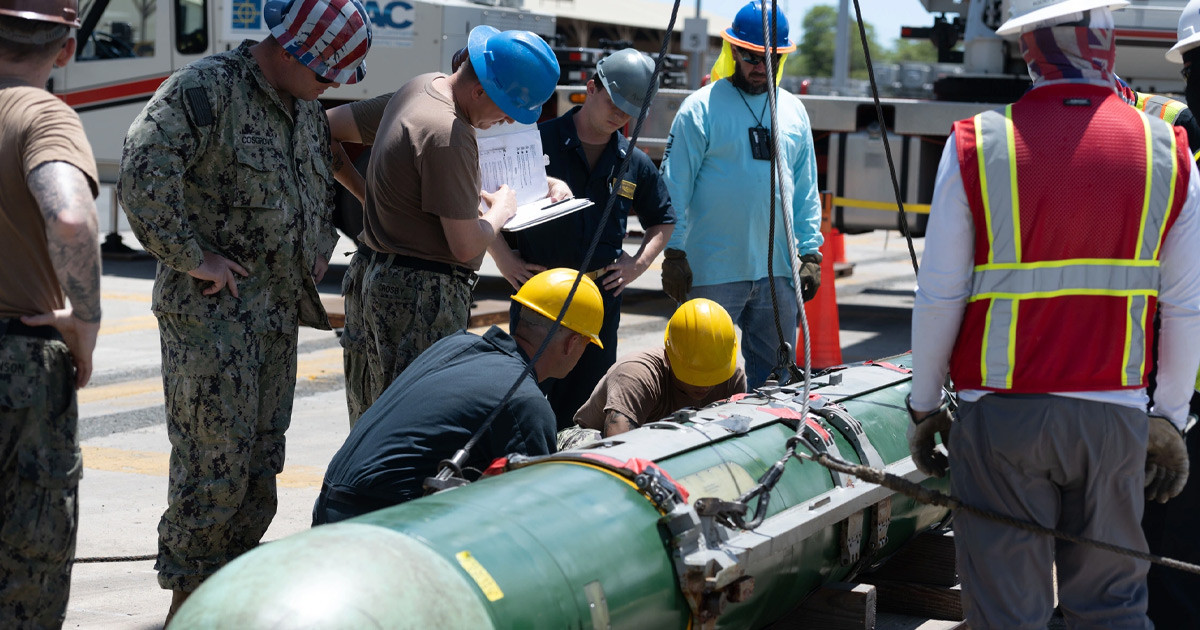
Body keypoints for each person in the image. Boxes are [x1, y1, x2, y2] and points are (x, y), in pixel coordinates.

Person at [907, 1, 1200, 627]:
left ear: (1029, 54)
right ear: (1109, 51)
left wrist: (924, 402)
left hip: (1001, 417)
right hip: (1116, 420)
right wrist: (1168, 419)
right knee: (1113, 607)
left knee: (1009, 611)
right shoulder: (1167, 151)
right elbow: (1182, 305)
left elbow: (938, 294)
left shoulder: (976, 144)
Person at [116, 0, 371, 618]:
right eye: (325, 72)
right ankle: (187, 607)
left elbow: (316, 186)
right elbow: (143, 174)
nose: (332, 87)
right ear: (289, 50)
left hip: (276, 319)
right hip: (213, 323)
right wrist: (191, 255)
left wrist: (315, 248)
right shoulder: (205, 91)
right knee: (213, 474)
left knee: (260, 470)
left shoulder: (306, 109)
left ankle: (227, 605)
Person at [325, 27, 563, 424]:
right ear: (480, 91)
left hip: (373, 277)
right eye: (507, 108)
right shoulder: (448, 132)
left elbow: (327, 128)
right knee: (412, 429)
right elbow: (466, 245)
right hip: (419, 301)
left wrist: (369, 195)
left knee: (371, 425)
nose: (505, 119)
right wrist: (501, 210)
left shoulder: (421, 87)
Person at [313, 268, 604, 524]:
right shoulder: (525, 402)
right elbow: (534, 514)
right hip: (377, 525)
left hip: (329, 507)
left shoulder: (455, 345)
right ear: (572, 343)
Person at [489, 48, 676, 430]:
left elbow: (663, 221)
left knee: (586, 409)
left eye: (628, 111)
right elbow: (487, 200)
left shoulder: (632, 161)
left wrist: (636, 265)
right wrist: (503, 258)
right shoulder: (537, 143)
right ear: (591, 88)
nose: (620, 116)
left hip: (597, 305)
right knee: (517, 399)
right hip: (538, 300)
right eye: (613, 102)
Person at [659, 0, 823, 390]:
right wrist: (675, 251)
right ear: (733, 50)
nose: (759, 65)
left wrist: (811, 251)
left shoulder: (795, 112)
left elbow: (805, 189)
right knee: (697, 381)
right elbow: (674, 185)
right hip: (712, 270)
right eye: (749, 55)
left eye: (769, 57)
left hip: (778, 274)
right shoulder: (700, 109)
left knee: (778, 383)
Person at [0, 1, 101, 626]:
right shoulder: (40, 113)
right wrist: (82, 322)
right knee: (26, 575)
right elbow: (68, 214)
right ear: (65, 49)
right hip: (19, 365)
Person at [1132, 5, 1200, 625]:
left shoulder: (1177, 150)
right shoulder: (1180, 146)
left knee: (1174, 562)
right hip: (1180, 396)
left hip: (1180, 399)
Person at [559, 298, 746, 449]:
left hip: (674, 442)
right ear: (668, 356)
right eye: (694, 375)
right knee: (593, 442)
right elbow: (617, 447)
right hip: (600, 441)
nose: (705, 385)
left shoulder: (730, 375)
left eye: (712, 375)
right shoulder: (636, 374)